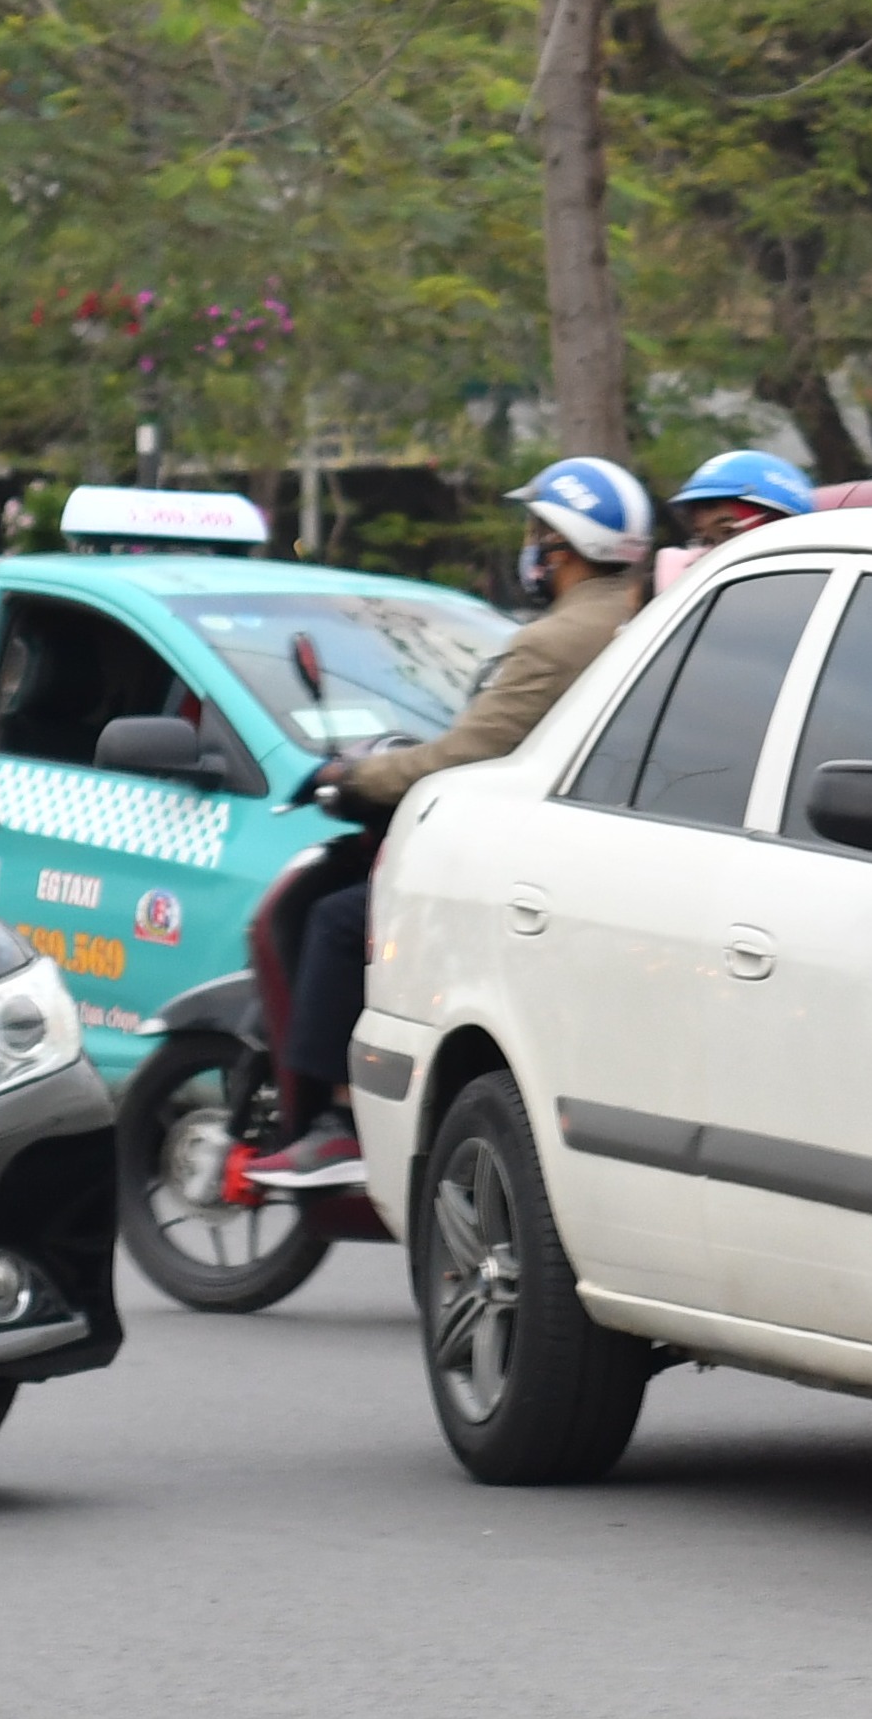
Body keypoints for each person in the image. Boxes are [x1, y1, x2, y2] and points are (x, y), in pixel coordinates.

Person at [246, 458, 657, 1191]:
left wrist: (354, 776)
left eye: (538, 532)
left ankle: (340, 1121)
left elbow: (468, 754)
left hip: (520, 853)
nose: (530, 548)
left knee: (342, 920)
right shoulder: (642, 617)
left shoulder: (552, 641)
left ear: (562, 544)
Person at [654, 447, 818, 593]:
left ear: (779, 523)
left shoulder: (822, 586)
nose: (715, 553)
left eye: (728, 533)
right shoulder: (686, 593)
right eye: (707, 541)